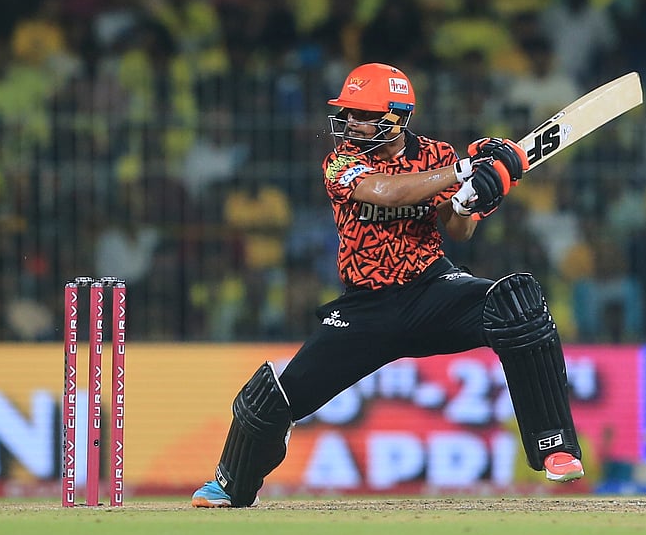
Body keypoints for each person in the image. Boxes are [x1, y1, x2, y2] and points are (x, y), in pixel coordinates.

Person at [192, 62, 585, 507]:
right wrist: (464, 170)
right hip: (366, 309)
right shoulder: (343, 160)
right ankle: (231, 484)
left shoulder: (436, 154)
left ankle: (555, 446)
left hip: (434, 291)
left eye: (362, 114)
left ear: (395, 116)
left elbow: (460, 231)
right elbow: (386, 192)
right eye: (349, 113)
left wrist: (472, 197)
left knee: (518, 305)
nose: (351, 122)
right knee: (270, 401)